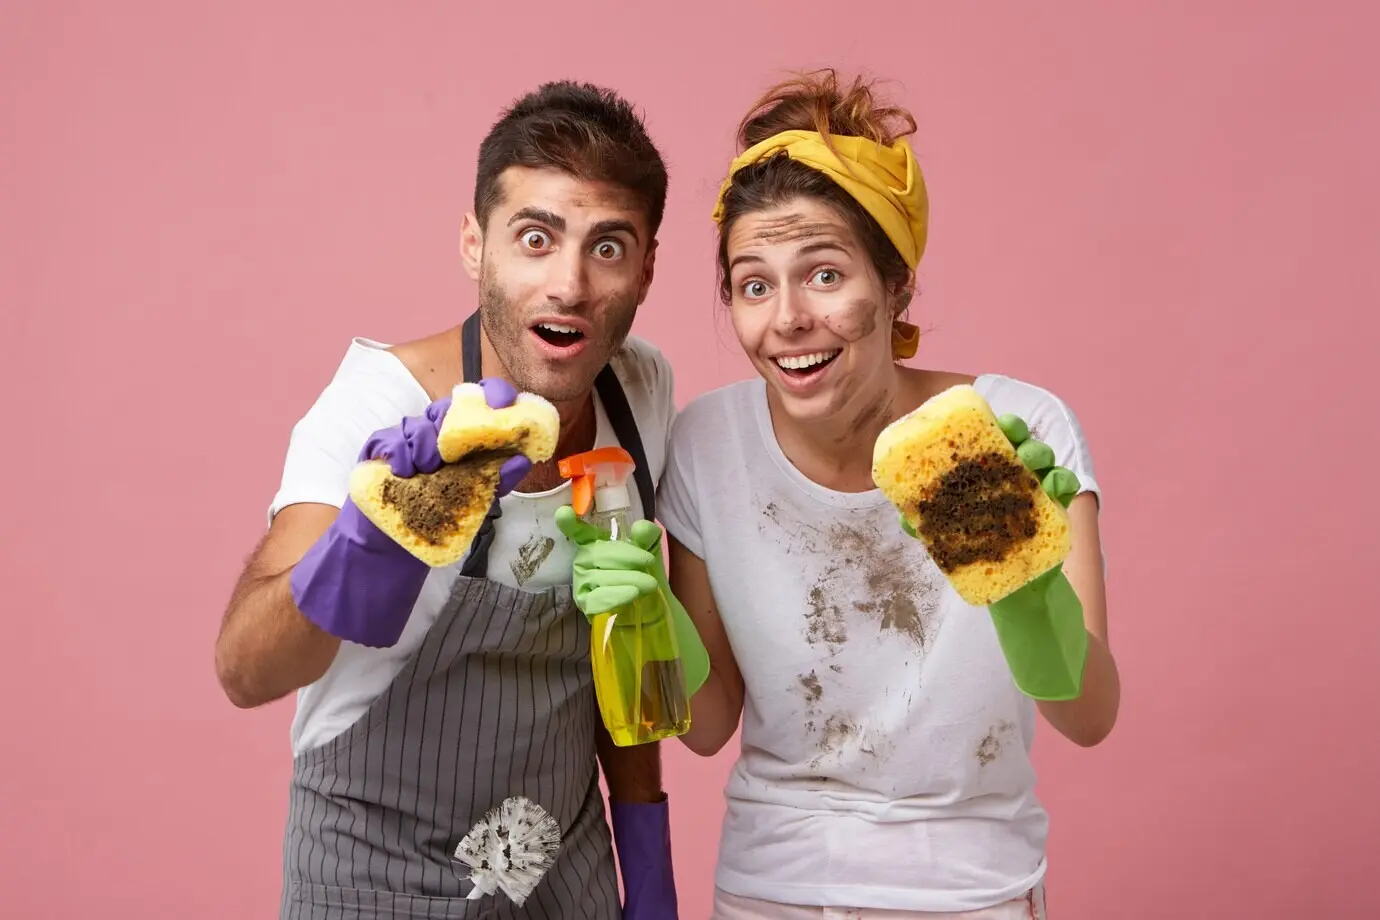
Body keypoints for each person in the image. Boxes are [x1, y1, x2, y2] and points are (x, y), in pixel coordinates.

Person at [556, 69, 1120, 918]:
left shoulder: (1012, 429)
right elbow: (709, 726)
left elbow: (1090, 715)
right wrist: (648, 615)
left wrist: (1025, 588)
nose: (787, 318)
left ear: (895, 285)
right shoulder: (709, 443)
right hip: (770, 889)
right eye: (755, 284)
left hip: (975, 892)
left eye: (823, 275)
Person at [214, 79, 706, 919]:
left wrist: (648, 868)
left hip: (561, 864)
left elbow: (619, 649)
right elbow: (244, 670)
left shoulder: (639, 390)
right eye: (535, 239)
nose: (570, 285)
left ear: (648, 268)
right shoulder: (379, 408)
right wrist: (369, 543)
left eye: (608, 247)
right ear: (475, 246)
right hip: (372, 869)